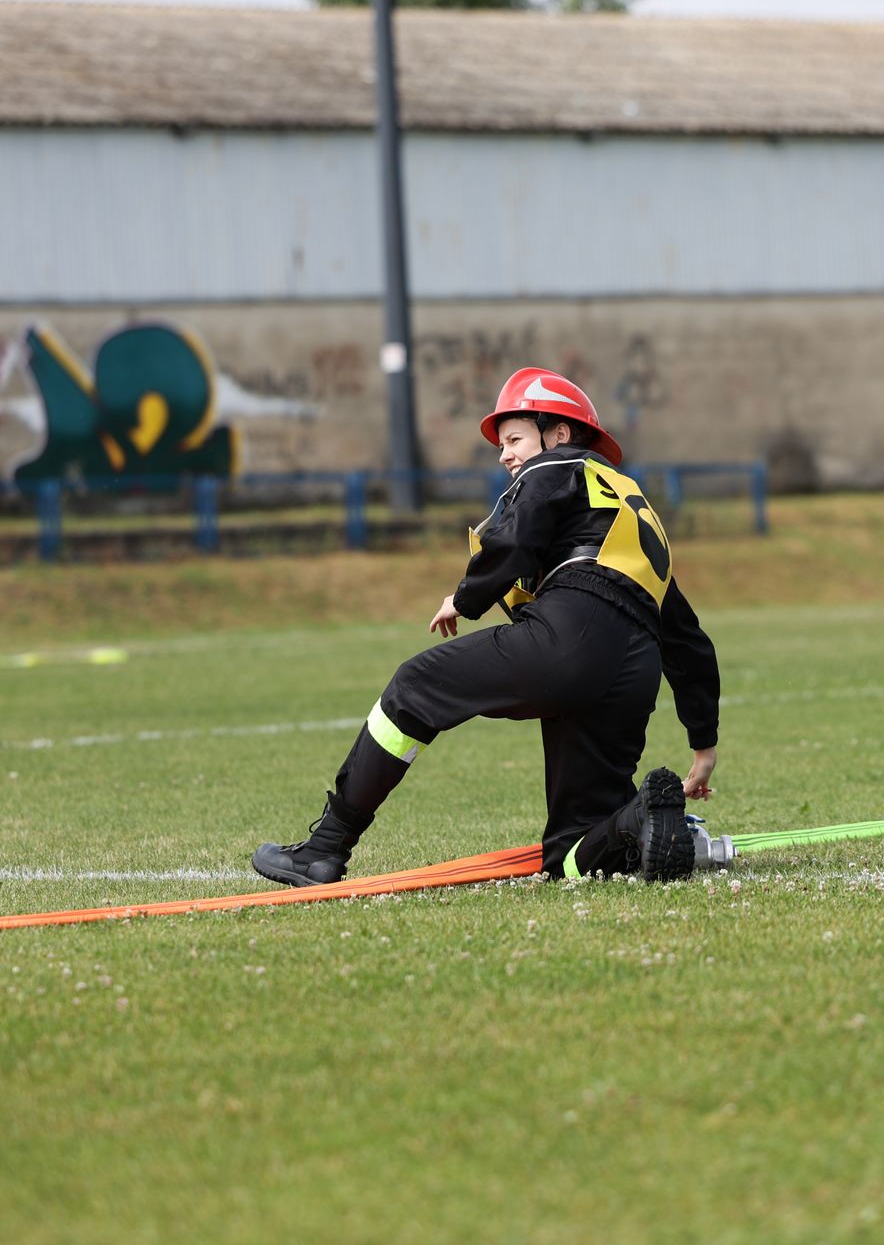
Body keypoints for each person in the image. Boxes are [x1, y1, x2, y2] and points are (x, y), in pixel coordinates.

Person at [252, 367, 724, 887]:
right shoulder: (632, 508)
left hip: (570, 633)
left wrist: (464, 596)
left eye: (515, 438)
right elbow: (686, 638)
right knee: (571, 852)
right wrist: (703, 745)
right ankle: (640, 821)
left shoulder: (556, 466)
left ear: (559, 433)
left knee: (413, 687)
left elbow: (514, 534)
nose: (505, 455)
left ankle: (323, 850)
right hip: (635, 669)